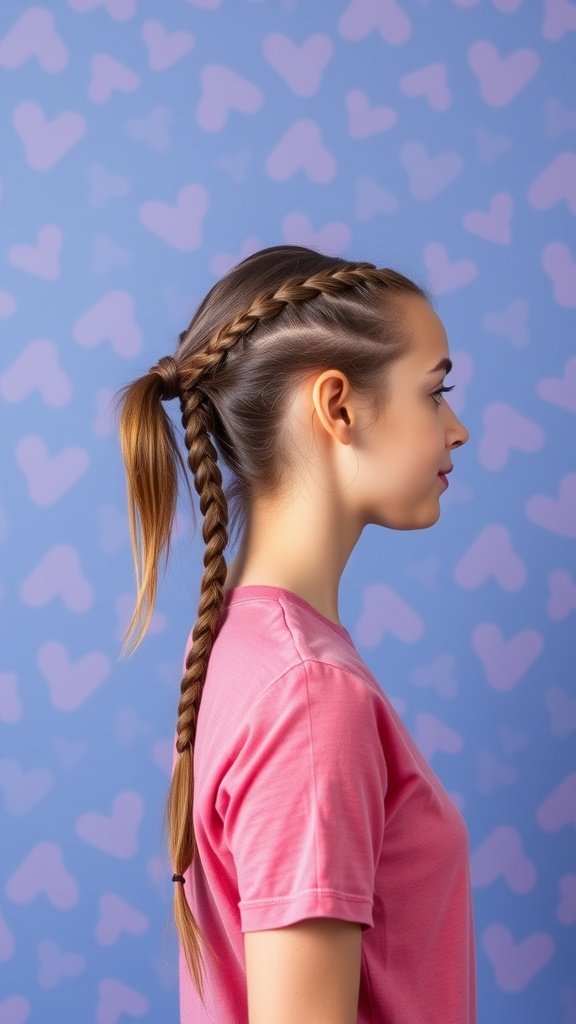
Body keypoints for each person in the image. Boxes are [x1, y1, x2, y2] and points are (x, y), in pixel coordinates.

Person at [114, 245, 475, 1023]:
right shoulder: (310, 697)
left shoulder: (242, 641)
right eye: (435, 391)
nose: (458, 429)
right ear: (337, 406)